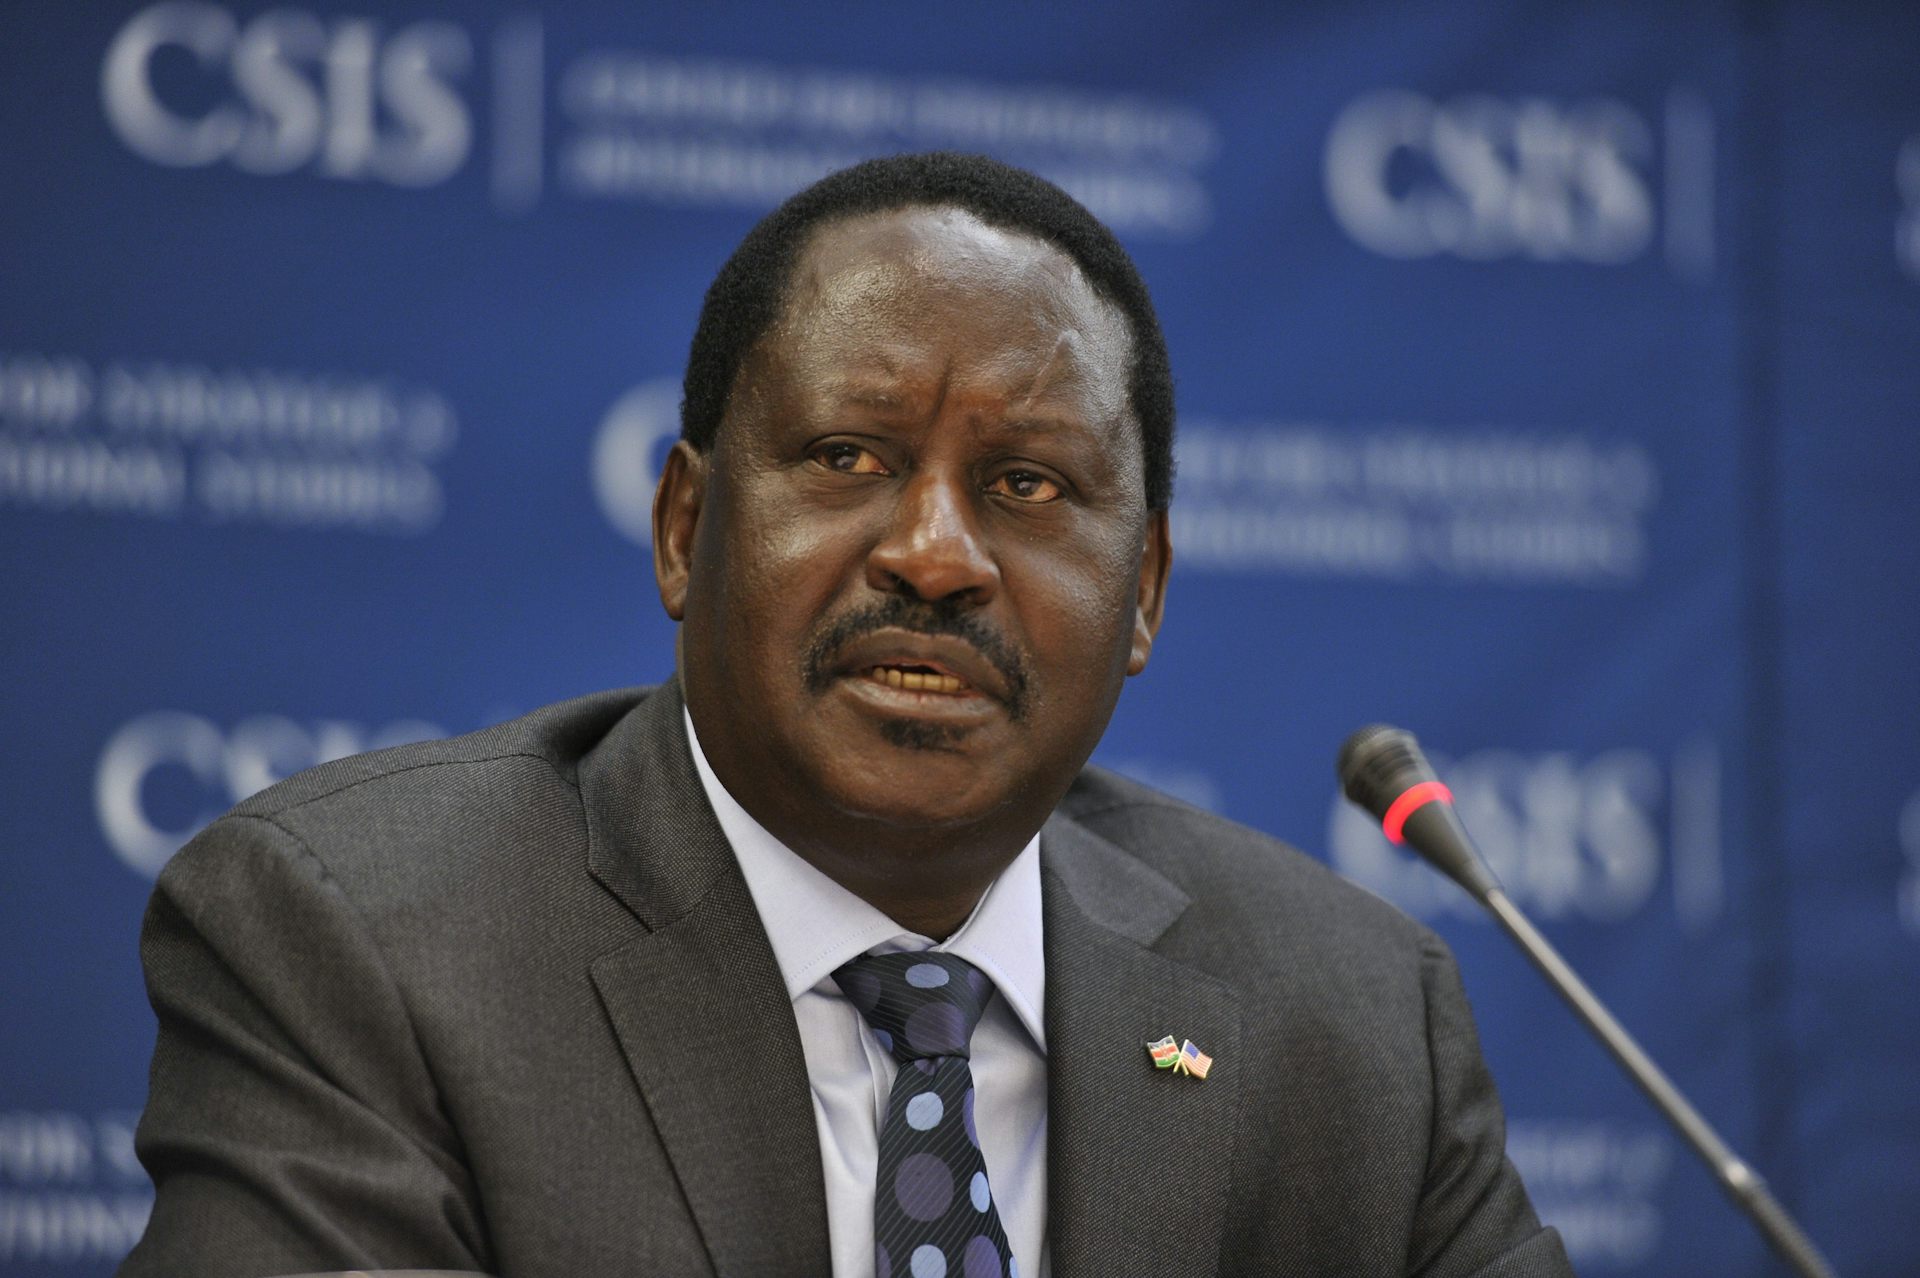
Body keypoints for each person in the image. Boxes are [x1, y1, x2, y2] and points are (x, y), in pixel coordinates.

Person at [121, 152, 1572, 1278]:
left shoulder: (1356, 1019)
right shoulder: (365, 941)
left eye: (1029, 485)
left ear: (1144, 595)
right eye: (848, 453)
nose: (936, 552)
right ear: (687, 528)